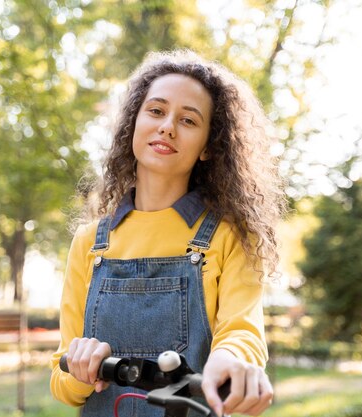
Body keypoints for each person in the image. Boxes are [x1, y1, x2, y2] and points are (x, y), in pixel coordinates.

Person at [50, 50, 285, 417]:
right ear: (134, 122)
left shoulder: (229, 237)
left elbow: (242, 334)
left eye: (188, 120)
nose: (168, 127)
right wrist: (79, 369)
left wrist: (232, 361)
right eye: (156, 111)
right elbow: (63, 385)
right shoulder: (90, 242)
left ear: (209, 146)